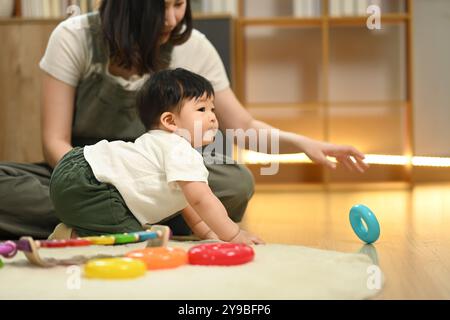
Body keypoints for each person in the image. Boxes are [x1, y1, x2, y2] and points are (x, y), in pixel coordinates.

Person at [0, 0, 368, 240]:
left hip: (160, 177)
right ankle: (125, 216)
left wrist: (304, 144)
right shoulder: (74, 37)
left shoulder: (193, 47)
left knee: (235, 181)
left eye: (178, 4)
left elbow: (243, 126)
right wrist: (95, 185)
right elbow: (54, 142)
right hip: (86, 171)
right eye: (159, 8)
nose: (172, 19)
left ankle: (103, 221)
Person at [49, 68, 264, 244]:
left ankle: (77, 225)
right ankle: (71, 235)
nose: (212, 118)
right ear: (170, 121)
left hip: (75, 168)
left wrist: (207, 233)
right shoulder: (179, 149)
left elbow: (186, 202)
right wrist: (234, 235)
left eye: (212, 109)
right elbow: (201, 199)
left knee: (135, 225)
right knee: (136, 237)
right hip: (93, 184)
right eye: (201, 110)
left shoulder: (156, 142)